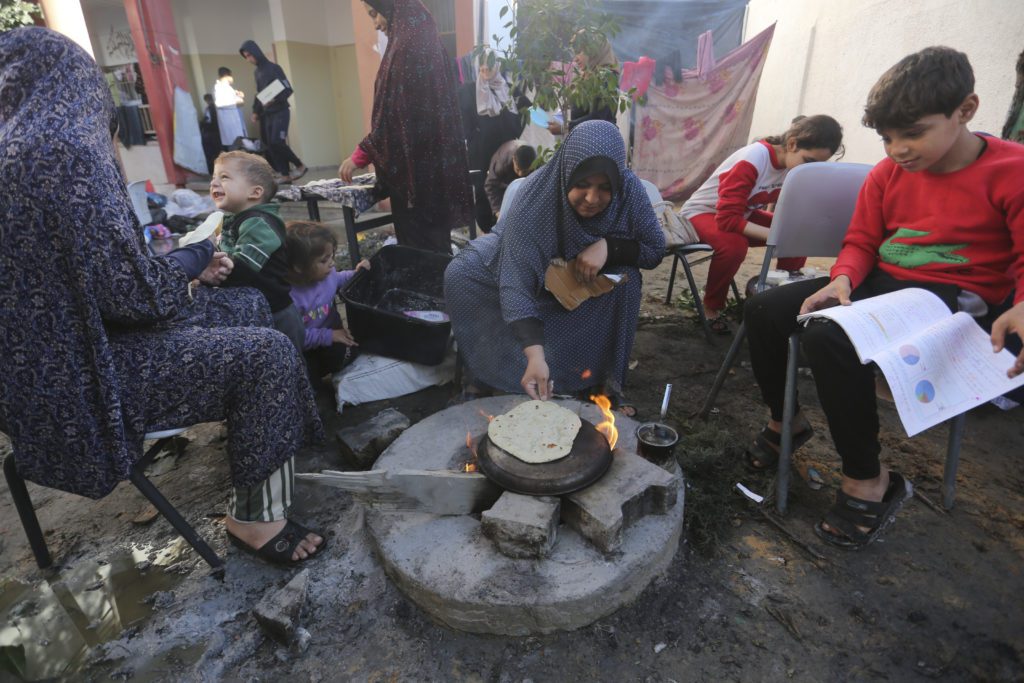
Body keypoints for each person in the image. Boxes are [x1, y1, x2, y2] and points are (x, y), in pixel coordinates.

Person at [0, 28, 325, 566]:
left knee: (246, 305)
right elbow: (134, 297)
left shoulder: (19, 148)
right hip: (87, 380)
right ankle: (256, 521)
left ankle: (259, 448)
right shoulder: (62, 153)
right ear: (78, 86)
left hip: (38, 380)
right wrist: (194, 261)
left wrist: (182, 269)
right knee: (266, 354)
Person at [743, 47, 1024, 549]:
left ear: (966, 109)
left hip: (955, 302)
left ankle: (870, 479)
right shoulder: (887, 174)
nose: (897, 149)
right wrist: (842, 280)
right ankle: (786, 420)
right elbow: (862, 242)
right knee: (766, 308)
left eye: (913, 133)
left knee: (829, 339)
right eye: (887, 137)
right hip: (881, 286)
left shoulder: (1013, 170)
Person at [445, 120, 665, 411]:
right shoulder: (535, 198)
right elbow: (516, 283)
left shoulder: (630, 192)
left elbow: (654, 249)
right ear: (566, 175)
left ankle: (599, 381)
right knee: (461, 273)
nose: (591, 199)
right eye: (582, 185)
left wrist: (609, 247)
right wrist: (536, 355)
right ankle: (484, 374)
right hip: (516, 255)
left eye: (604, 188)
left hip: (582, 274)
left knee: (628, 278)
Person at [679, 115, 844, 333]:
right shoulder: (754, 159)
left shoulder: (794, 166)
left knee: (796, 233)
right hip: (701, 214)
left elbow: (795, 212)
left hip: (742, 214)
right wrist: (775, 235)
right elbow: (727, 219)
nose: (810, 170)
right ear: (792, 144)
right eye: (809, 162)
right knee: (734, 246)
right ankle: (711, 307)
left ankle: (784, 300)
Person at [339, 0, 472, 254]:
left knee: (420, 252)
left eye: (375, 14)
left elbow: (397, 116)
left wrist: (363, 153)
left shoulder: (407, 49)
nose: (376, 24)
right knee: (435, 248)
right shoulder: (424, 40)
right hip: (433, 173)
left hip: (417, 179)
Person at [210, 150, 305, 352]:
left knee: (288, 365)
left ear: (255, 192)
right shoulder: (235, 219)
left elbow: (243, 267)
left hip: (276, 313)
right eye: (214, 178)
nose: (214, 183)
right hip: (255, 310)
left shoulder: (259, 223)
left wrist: (213, 268)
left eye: (224, 177)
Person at [285, 221, 370, 382]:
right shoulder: (291, 297)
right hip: (305, 347)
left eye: (332, 256)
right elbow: (296, 337)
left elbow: (339, 279)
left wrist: (357, 274)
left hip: (331, 337)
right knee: (302, 375)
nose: (331, 263)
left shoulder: (327, 274)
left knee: (350, 351)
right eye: (324, 260)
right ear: (298, 267)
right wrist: (328, 335)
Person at [458, 58, 528, 232]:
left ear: (497, 67)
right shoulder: (468, 90)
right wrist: (476, 137)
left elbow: (526, 112)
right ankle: (489, 234)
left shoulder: (509, 88)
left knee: (509, 191)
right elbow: (463, 121)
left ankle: (508, 233)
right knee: (484, 193)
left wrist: (513, 133)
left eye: (489, 66)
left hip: (508, 153)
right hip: (481, 154)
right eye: (482, 67)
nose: (485, 70)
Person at [238, 40, 307, 183]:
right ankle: (285, 174)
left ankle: (300, 165)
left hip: (280, 111)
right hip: (267, 114)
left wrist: (274, 99)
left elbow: (287, 89)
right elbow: (260, 94)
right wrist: (255, 111)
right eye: (246, 57)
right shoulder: (257, 73)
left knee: (277, 141)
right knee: (269, 143)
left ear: (256, 52)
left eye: (250, 55)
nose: (249, 59)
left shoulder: (274, 68)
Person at [546, 32, 619, 136]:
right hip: (585, 140)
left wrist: (565, 128)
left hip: (599, 143)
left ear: (594, 51)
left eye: (579, 52)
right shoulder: (585, 77)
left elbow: (598, 118)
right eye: (574, 53)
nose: (575, 58)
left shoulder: (605, 77)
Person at [484, 141, 537, 222]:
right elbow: (490, 185)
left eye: (525, 171)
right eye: (518, 169)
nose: (520, 174)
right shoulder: (501, 165)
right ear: (513, 159)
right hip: (502, 184)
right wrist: (498, 211)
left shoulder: (535, 164)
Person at [213, 66, 247, 150]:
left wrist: (239, 96)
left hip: (235, 124)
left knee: (240, 150)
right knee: (235, 152)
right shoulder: (219, 87)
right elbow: (220, 103)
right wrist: (237, 102)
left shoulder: (227, 88)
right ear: (228, 76)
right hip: (231, 126)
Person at [199, 93, 221, 174]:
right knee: (216, 152)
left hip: (211, 133)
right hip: (216, 132)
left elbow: (209, 121)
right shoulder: (215, 107)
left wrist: (202, 124)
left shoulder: (210, 108)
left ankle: (212, 169)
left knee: (211, 152)